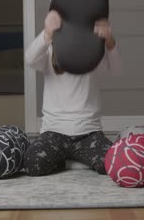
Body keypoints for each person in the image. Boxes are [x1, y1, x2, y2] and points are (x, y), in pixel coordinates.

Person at [23, 10, 123, 176]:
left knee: (112, 164)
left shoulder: (93, 53)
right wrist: (47, 32)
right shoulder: (49, 52)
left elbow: (117, 69)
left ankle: (72, 157)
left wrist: (109, 40)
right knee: (32, 164)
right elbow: (30, 59)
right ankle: (65, 159)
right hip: (53, 132)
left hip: (88, 133)